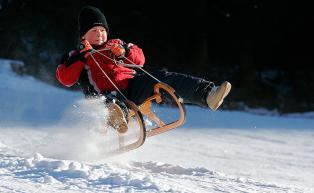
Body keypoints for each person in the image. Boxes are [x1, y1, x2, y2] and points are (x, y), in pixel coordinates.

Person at [56, 6, 231, 133]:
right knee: (109, 103)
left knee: (163, 78)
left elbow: (140, 59)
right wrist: (82, 56)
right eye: (94, 30)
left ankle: (208, 94)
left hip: (133, 85)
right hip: (105, 94)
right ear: (83, 35)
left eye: (102, 30)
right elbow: (65, 78)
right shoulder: (75, 55)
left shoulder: (116, 44)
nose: (99, 34)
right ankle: (120, 119)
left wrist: (124, 52)